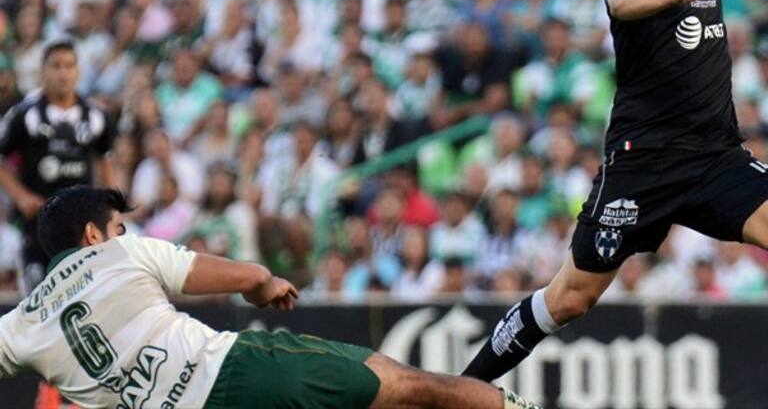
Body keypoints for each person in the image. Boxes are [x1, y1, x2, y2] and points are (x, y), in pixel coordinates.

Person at [463, 0, 768, 383]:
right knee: (569, 299)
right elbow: (625, 0)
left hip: (717, 159)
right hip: (642, 166)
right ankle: (461, 387)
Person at [0, 186, 540, 409]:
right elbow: (245, 275)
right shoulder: (122, 253)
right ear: (93, 235)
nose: (121, 232)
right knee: (408, 385)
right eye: (116, 224)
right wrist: (267, 285)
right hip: (234, 375)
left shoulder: (22, 324)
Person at [0, 39, 115, 293]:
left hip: (82, 225)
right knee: (40, 299)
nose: (63, 73)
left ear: (78, 72)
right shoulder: (24, 115)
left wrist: (110, 204)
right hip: (37, 223)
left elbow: (104, 158)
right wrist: (21, 196)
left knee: (84, 296)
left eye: (69, 66)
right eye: (56, 66)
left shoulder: (96, 116)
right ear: (43, 72)